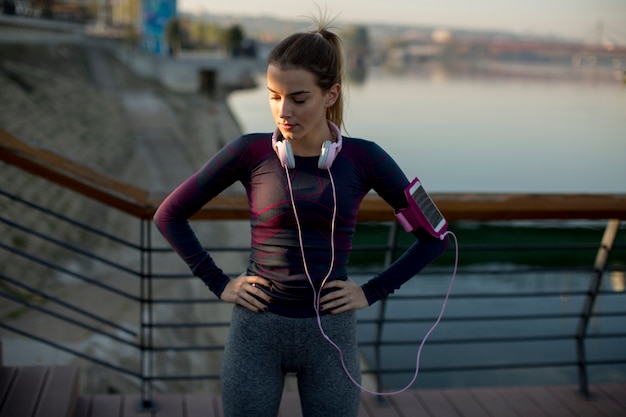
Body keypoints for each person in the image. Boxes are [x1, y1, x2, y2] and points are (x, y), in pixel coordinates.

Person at [154, 18, 449, 417]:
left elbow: (435, 237)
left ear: (331, 94)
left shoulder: (366, 158)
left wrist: (372, 290)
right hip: (256, 331)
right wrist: (219, 283)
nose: (283, 111)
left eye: (298, 98)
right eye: (274, 96)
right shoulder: (249, 152)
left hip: (331, 335)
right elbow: (169, 215)